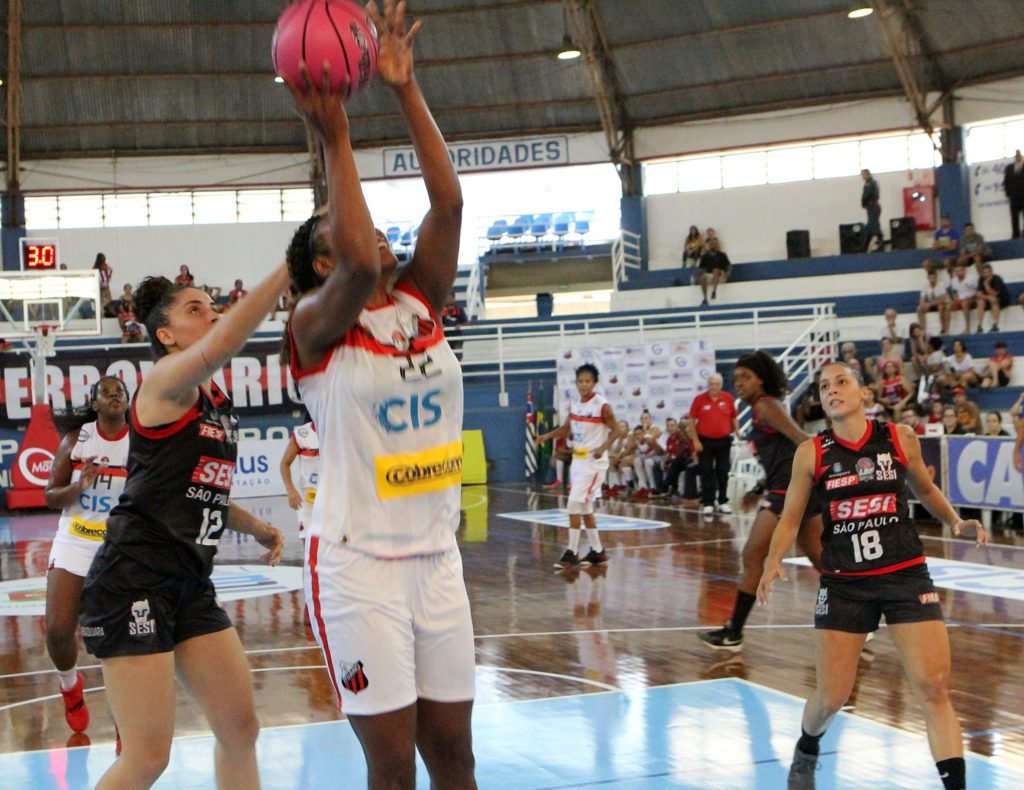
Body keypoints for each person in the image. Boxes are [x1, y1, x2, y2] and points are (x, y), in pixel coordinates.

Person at [282, 3, 476, 785]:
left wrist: (404, 90)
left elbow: (450, 205)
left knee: (456, 755)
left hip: (437, 557)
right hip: (359, 567)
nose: (372, 237)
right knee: (393, 767)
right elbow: (361, 264)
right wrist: (334, 136)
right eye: (344, 232)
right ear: (319, 266)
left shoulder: (420, 301)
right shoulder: (312, 329)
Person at [78, 266, 288, 788]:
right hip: (134, 580)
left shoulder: (216, 403)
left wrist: (257, 527)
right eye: (195, 309)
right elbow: (224, 344)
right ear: (165, 335)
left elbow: (200, 486)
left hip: (189, 582)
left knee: (241, 729)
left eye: (212, 306)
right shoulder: (165, 380)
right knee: (148, 757)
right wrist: (289, 267)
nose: (212, 314)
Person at [757, 360, 987, 790]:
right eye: (824, 386)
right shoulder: (812, 452)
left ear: (864, 392)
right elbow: (790, 519)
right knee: (831, 697)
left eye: (842, 381)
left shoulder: (899, 439)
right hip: (846, 583)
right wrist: (773, 560)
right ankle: (807, 746)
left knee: (934, 686)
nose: (832, 390)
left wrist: (956, 522)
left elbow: (925, 489)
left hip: (905, 576)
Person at [700, 352, 823, 652]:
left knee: (753, 555)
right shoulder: (760, 409)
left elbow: (802, 441)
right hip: (789, 488)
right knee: (822, 560)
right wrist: (759, 487)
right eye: (736, 377)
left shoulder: (766, 406)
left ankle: (734, 633)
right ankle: (862, 618)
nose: (738, 383)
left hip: (791, 491)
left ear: (762, 380)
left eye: (746, 377)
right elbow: (781, 456)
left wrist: (826, 470)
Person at [44, 376, 130, 735]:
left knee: (126, 638)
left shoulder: (139, 443)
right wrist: (79, 485)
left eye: (120, 391)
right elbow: (51, 497)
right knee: (59, 630)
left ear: (128, 402)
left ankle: (126, 723)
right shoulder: (77, 440)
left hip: (118, 546)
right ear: (95, 404)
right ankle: (69, 685)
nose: (113, 395)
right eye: (105, 392)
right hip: (76, 539)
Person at [537, 363, 620, 569]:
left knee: (573, 505)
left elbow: (617, 430)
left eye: (588, 381)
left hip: (594, 463)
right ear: (576, 383)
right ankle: (598, 552)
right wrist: (546, 436)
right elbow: (566, 429)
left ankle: (572, 553)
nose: (584, 384)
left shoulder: (602, 405)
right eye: (580, 381)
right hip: (578, 460)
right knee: (584, 507)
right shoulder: (575, 404)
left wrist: (604, 447)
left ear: (594, 383)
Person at [688, 372, 739, 516]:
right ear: (707, 385)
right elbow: (691, 420)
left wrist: (738, 431)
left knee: (723, 471)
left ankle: (723, 501)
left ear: (721, 385)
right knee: (706, 471)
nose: (714, 387)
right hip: (705, 441)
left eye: (717, 384)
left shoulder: (728, 398)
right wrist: (695, 440)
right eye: (711, 384)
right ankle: (708, 502)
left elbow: (734, 416)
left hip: (724, 440)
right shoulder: (699, 399)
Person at [975, 263, 1010, 333]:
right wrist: (988, 297)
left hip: (1002, 299)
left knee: (994, 301)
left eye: (988, 272)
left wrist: (986, 284)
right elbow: (978, 294)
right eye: (984, 272)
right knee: (980, 302)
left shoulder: (997, 279)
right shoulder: (981, 279)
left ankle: (995, 325)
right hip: (989, 299)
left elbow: (994, 294)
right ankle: (979, 326)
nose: (986, 274)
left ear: (991, 272)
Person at [697, 236, 731, 305]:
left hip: (720, 275)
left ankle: (714, 291)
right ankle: (705, 299)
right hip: (709, 276)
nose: (713, 245)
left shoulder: (722, 255)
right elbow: (701, 268)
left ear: (717, 245)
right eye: (711, 244)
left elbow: (728, 266)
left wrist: (727, 274)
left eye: (714, 244)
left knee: (716, 270)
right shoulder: (705, 256)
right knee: (702, 277)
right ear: (709, 245)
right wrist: (700, 274)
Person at [917, 268, 950, 336]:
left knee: (941, 307)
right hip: (932, 304)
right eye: (930, 277)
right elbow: (922, 298)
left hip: (941, 304)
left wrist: (929, 304)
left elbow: (942, 299)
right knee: (919, 309)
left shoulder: (941, 284)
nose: (932, 279)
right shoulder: (925, 286)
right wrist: (922, 304)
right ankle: (923, 330)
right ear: (928, 278)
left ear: (936, 277)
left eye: (933, 277)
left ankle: (944, 329)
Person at [1002, 149, 1024, 238]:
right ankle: (1016, 234)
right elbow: (1006, 181)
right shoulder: (1009, 168)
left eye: (1019, 155)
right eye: (1016, 156)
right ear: (1015, 157)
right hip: (1014, 197)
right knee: (1014, 217)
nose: (1018, 157)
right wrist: (1008, 193)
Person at [860, 169, 883, 251]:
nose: (862, 177)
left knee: (873, 225)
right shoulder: (871, 183)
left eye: (863, 175)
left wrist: (863, 203)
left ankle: (879, 245)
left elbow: (867, 195)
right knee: (871, 225)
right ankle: (865, 246)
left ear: (867, 174)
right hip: (872, 206)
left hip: (872, 205)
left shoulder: (870, 184)